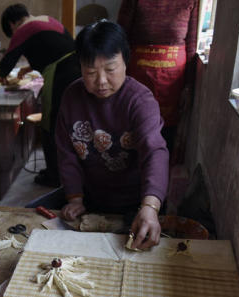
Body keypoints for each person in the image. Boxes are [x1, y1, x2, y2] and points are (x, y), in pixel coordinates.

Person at [55, 21, 169, 250]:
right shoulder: (72, 97)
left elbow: (154, 151)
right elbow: (66, 152)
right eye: (90, 72)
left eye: (110, 69)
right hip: (91, 202)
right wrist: (75, 198)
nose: (101, 81)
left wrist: (150, 206)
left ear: (126, 61)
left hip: (137, 204)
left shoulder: (140, 101)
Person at [0, 3, 81, 187]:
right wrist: (29, 67)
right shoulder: (46, 19)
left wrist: (0, 76)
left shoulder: (22, 29)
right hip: (76, 70)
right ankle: (62, 170)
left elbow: (5, 66)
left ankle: (54, 176)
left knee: (50, 124)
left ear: (12, 24)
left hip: (61, 75)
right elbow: (52, 49)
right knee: (66, 122)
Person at [118, 0, 199, 154]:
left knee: (165, 137)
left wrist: (189, 84)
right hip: (138, 78)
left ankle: (159, 175)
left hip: (173, 84)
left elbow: (191, 44)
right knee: (134, 130)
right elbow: (120, 37)